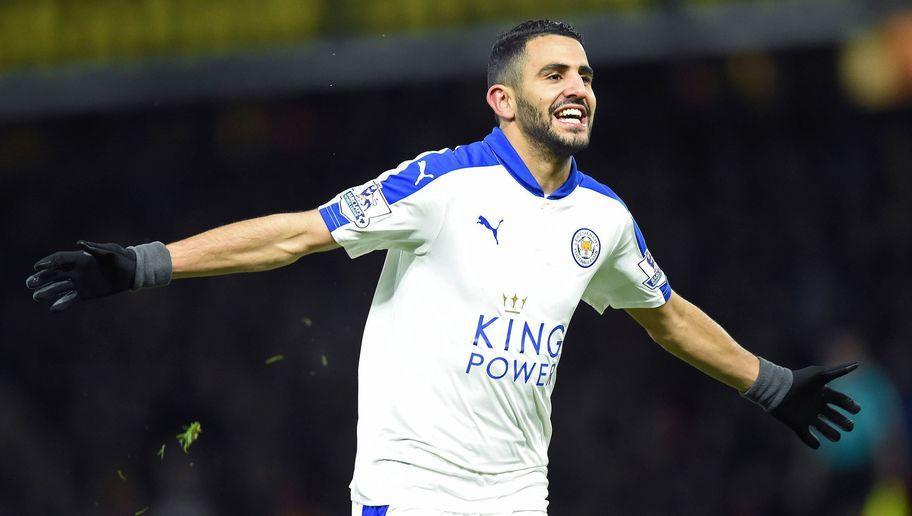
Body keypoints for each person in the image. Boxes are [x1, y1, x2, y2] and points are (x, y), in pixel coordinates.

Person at [26, 20, 861, 516]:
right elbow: (298, 235)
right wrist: (145, 263)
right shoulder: (440, 183)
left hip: (517, 494)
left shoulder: (602, 219)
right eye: (556, 73)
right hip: (414, 488)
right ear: (504, 99)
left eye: (587, 75)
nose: (579, 87)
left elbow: (664, 311)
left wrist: (770, 383)